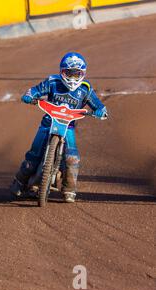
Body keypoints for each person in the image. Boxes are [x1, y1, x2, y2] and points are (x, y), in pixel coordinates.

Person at [10, 52, 108, 203]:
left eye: (77, 74)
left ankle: (69, 189)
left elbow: (98, 104)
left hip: (68, 127)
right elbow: (35, 90)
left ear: (83, 74)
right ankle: (19, 181)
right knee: (34, 155)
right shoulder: (52, 82)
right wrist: (30, 95)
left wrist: (100, 110)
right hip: (48, 123)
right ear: (62, 71)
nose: (73, 78)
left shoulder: (85, 88)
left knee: (72, 158)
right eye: (69, 73)